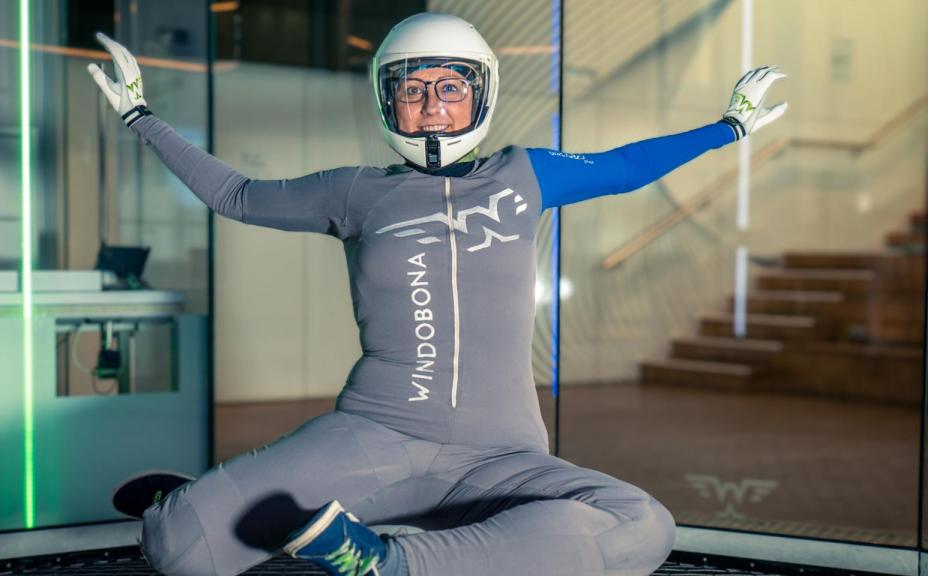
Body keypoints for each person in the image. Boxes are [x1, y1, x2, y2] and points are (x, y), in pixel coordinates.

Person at [89, 12, 786, 576]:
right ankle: (203, 504)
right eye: (413, 90)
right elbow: (238, 195)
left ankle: (387, 559)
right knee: (178, 548)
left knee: (642, 526)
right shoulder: (356, 190)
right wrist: (141, 116)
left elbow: (627, 167)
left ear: (479, 94)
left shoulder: (524, 175)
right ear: (388, 100)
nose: (432, 107)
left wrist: (727, 127)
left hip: (501, 457)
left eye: (450, 89)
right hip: (372, 439)